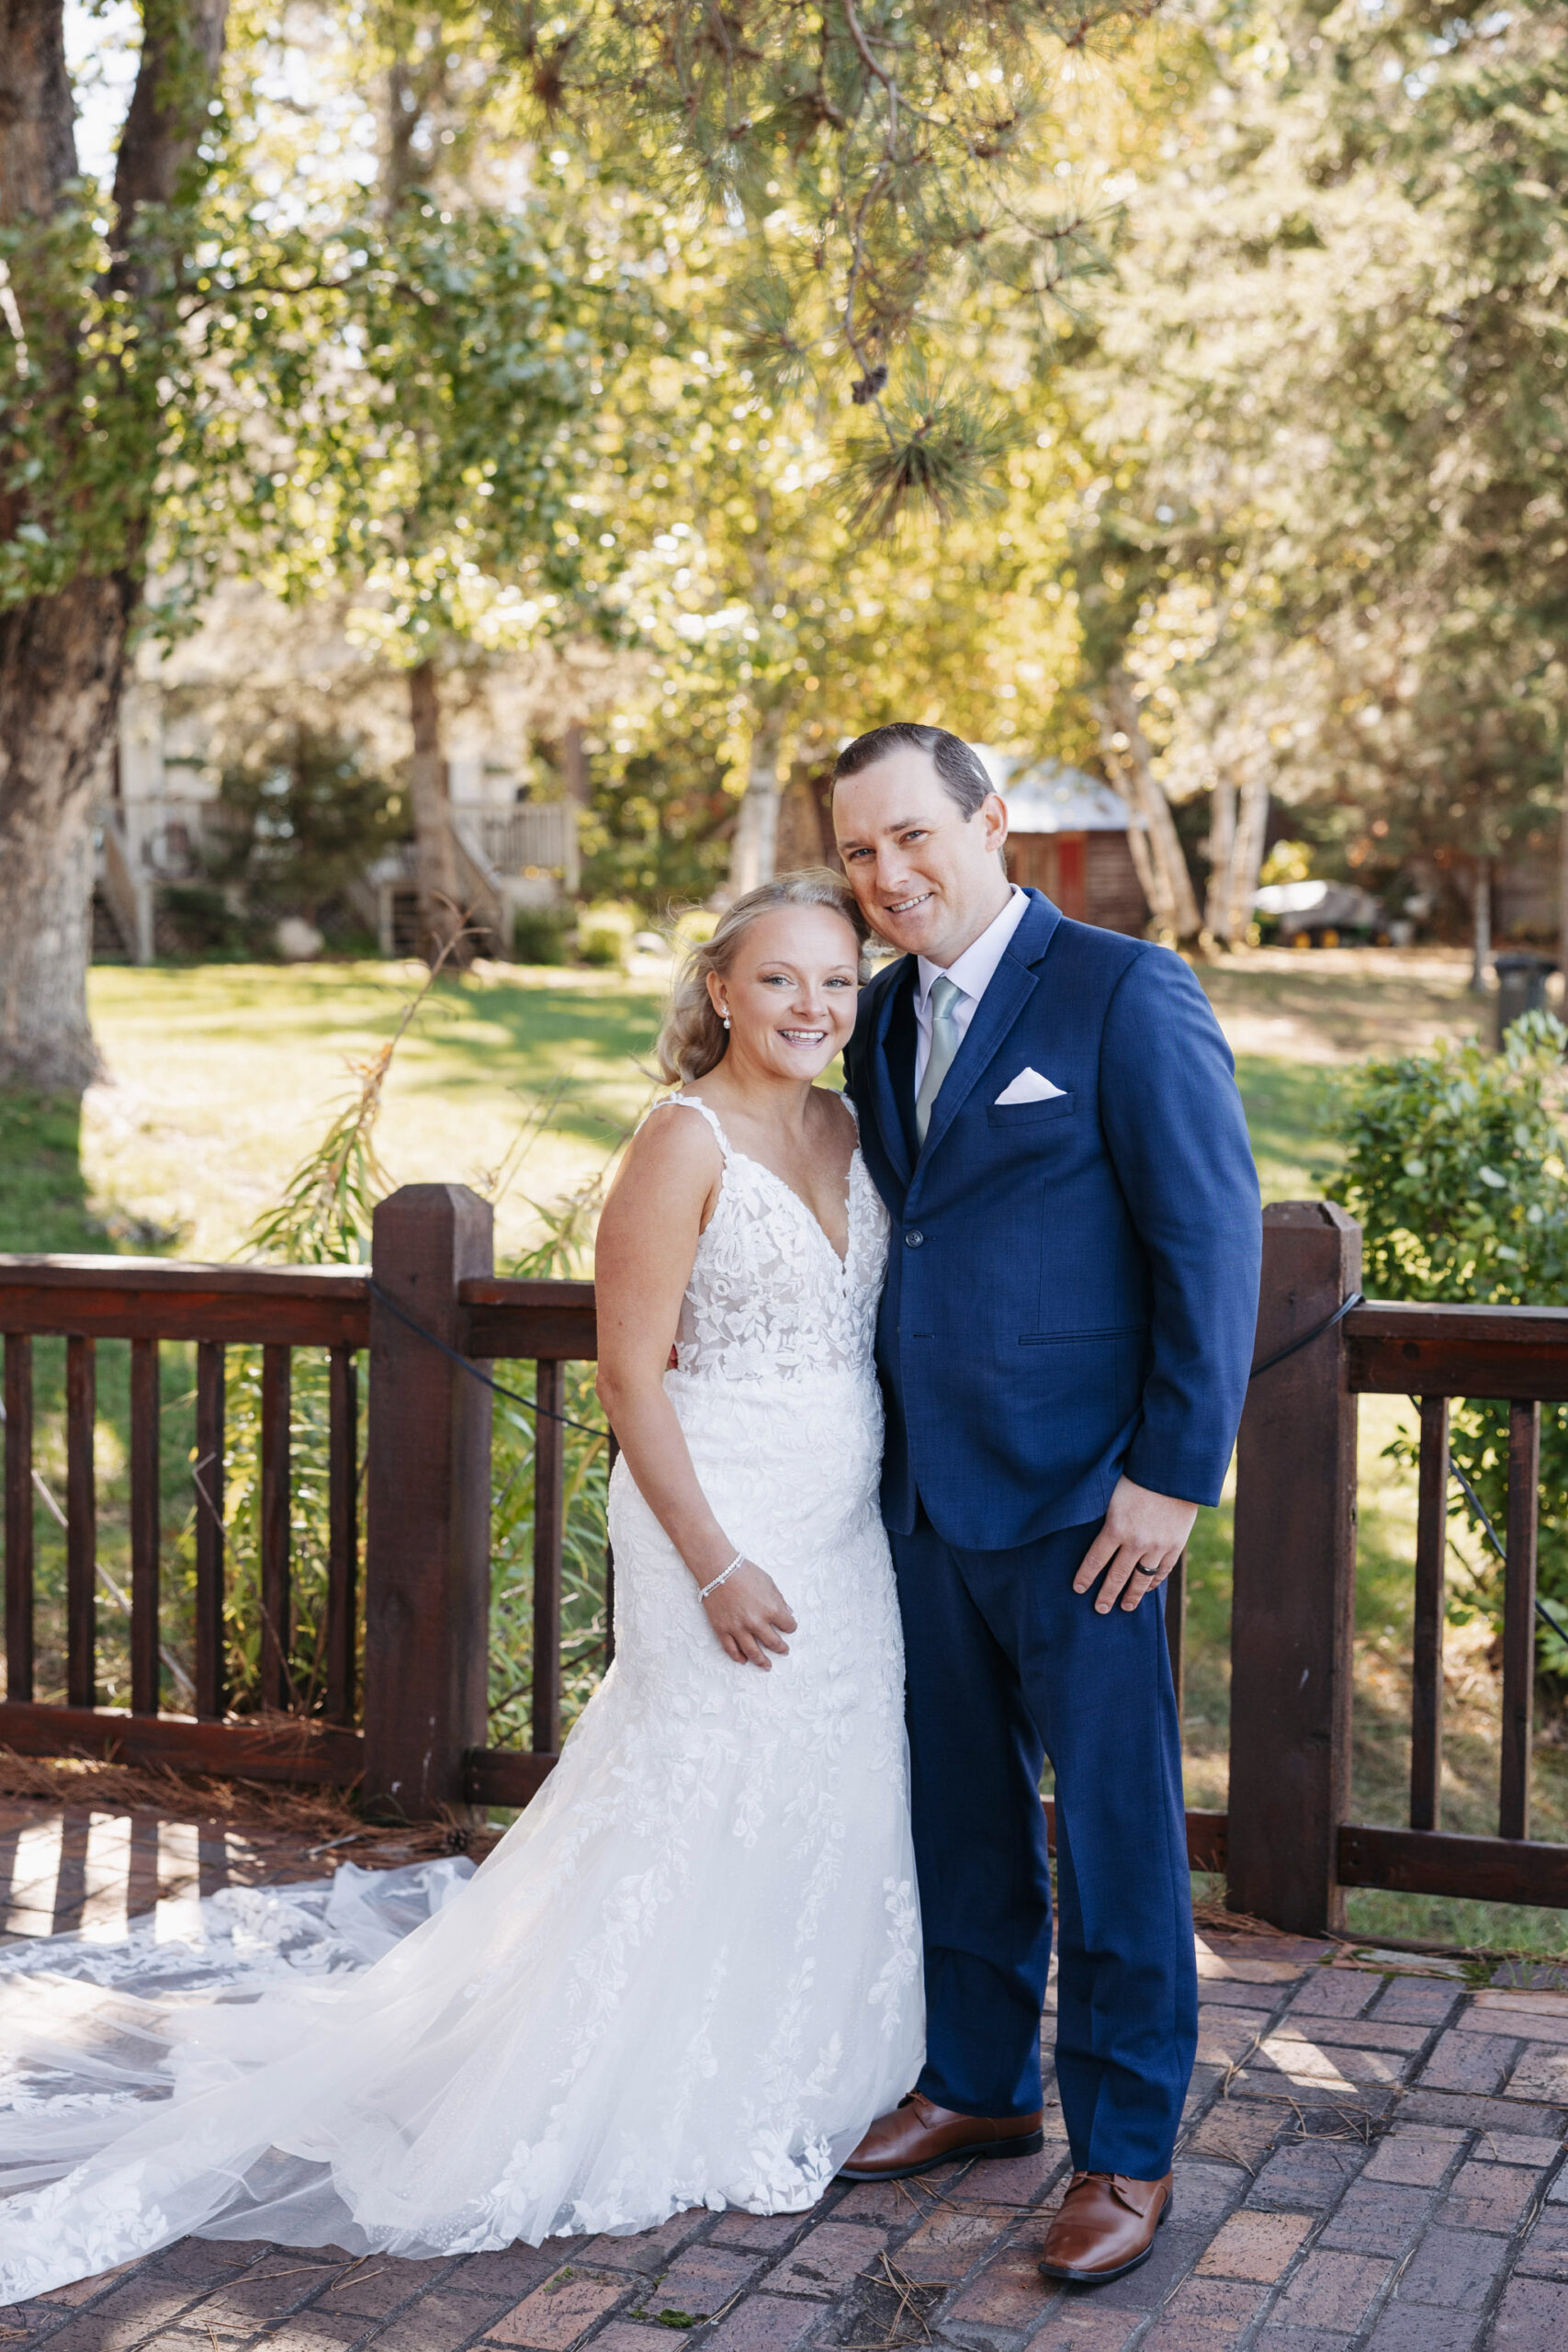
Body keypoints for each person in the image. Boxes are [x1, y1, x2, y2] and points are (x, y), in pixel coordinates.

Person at [0, 873, 921, 2302]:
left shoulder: (852, 1129)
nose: (815, 1006)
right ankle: (632, 2069)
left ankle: (800, 2048)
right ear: (721, 991)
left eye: (839, 982)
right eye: (783, 979)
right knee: (695, 1782)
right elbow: (630, 1380)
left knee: (828, 1778)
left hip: (842, 1528)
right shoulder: (680, 1144)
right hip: (718, 1523)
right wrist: (718, 1561)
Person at [832, 724, 1261, 2289]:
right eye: (858, 854)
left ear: (990, 822)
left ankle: (1127, 2152)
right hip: (930, 1500)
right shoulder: (879, 1020)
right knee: (960, 1815)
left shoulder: (1122, 991)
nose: (886, 877)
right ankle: (979, 2085)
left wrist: (1169, 1478)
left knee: (1119, 1837)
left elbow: (1211, 1248)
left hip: (1093, 1506)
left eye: (910, 838)